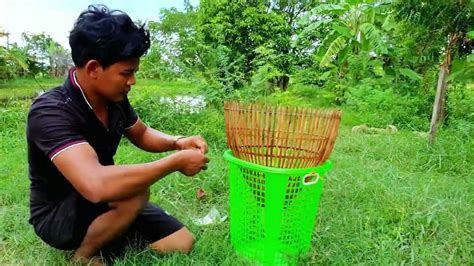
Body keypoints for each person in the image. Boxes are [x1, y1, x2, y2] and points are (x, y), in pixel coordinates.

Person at [26, 5, 209, 264]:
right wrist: (174, 163)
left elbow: (142, 133)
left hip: (107, 200)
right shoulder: (51, 111)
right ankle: (83, 256)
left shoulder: (113, 98)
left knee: (180, 243)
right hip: (59, 212)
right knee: (135, 192)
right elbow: (96, 184)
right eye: (127, 72)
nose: (132, 81)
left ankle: (111, 232)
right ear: (93, 69)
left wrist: (178, 143)